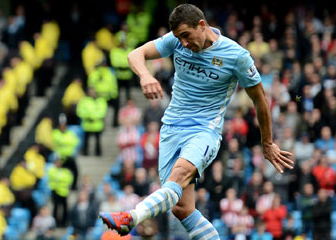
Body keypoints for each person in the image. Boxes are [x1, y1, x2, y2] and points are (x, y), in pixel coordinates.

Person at [99, 4, 293, 238]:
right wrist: (145, 75)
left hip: (204, 130)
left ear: (202, 25)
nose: (183, 43)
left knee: (178, 176)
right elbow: (135, 54)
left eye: (186, 36)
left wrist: (267, 142)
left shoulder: (236, 56)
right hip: (171, 128)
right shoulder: (175, 39)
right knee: (182, 208)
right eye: (179, 38)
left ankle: (131, 218)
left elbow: (260, 98)